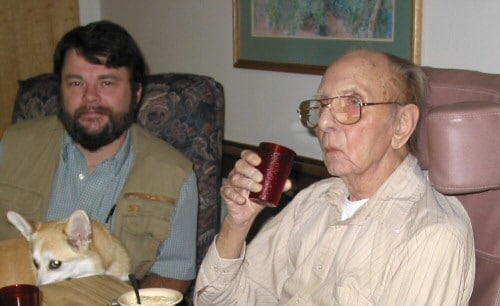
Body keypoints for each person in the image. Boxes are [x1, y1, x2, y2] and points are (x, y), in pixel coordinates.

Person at [194, 50, 475, 305]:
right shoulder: (314, 201)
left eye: (353, 102)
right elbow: (216, 301)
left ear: (401, 125)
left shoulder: (433, 235)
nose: (325, 123)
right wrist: (236, 223)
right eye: (322, 105)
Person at [0, 21, 197, 294]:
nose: (90, 98)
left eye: (107, 82)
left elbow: (172, 276)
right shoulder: (11, 147)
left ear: (136, 93)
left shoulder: (176, 177)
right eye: (76, 82)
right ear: (60, 90)